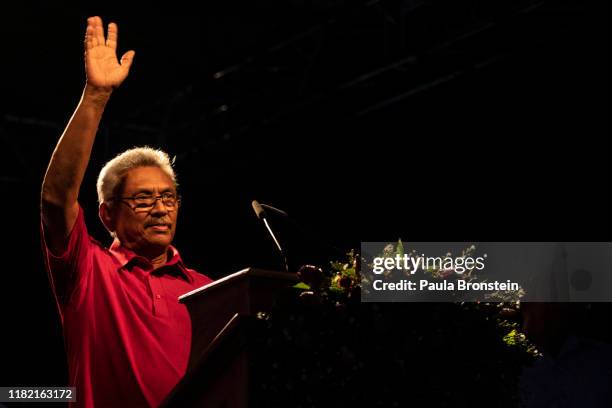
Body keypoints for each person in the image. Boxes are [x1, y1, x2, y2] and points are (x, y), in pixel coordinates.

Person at [40, 16, 213, 407]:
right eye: (143, 199)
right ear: (107, 216)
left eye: (168, 197)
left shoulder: (208, 290)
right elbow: (55, 200)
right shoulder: (87, 271)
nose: (160, 209)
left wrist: (375, 277)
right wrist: (96, 96)